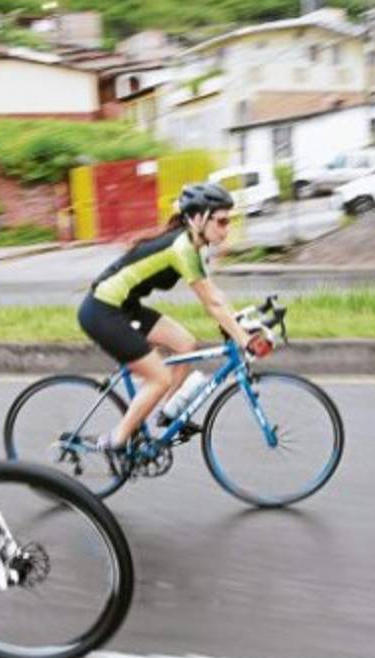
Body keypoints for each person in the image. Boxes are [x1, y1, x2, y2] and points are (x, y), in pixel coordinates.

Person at [77, 182, 272, 468]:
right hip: (102, 311)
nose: (226, 228)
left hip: (124, 307)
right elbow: (211, 303)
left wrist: (240, 323)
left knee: (185, 343)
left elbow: (215, 295)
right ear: (199, 218)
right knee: (159, 377)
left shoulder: (191, 245)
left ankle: (166, 414)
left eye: (228, 221)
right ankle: (117, 440)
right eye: (221, 221)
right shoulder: (182, 248)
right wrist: (242, 338)